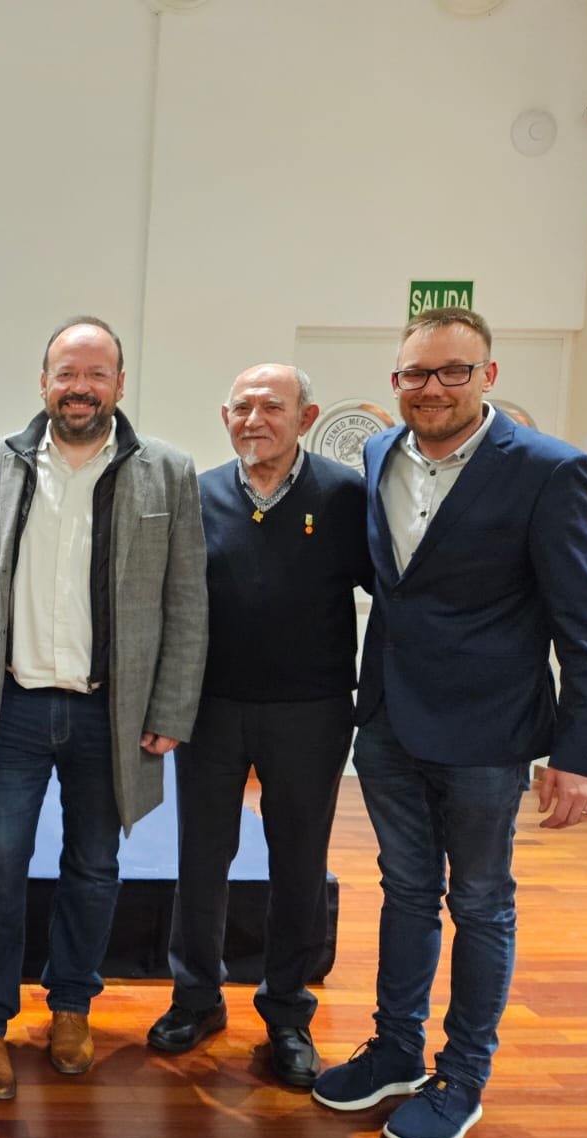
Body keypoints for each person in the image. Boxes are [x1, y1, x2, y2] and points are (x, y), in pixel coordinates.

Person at [310, 307, 587, 1138]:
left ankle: (463, 1075)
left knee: (480, 902)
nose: (430, 388)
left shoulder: (551, 472)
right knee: (404, 890)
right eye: (414, 373)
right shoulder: (377, 454)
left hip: (488, 733)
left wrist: (581, 755)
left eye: (450, 372)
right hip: (390, 724)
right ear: (396, 382)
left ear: (487, 376)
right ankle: (397, 1050)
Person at [0, 315, 208, 1101]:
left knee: (94, 868)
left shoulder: (166, 471)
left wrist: (171, 704)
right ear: (44, 381)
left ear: (120, 385)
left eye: (97, 373)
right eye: (67, 372)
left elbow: (187, 600)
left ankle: (70, 1008)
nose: (81, 387)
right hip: (14, 709)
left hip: (113, 713)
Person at [147, 363, 369, 1088]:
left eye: (271, 407)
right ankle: (197, 998)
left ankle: (287, 1014)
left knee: (299, 864)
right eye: (241, 408)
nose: (253, 420)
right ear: (224, 417)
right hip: (212, 708)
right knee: (202, 859)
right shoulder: (198, 493)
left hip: (312, 711)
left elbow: (395, 593)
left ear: (306, 418)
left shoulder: (344, 495)